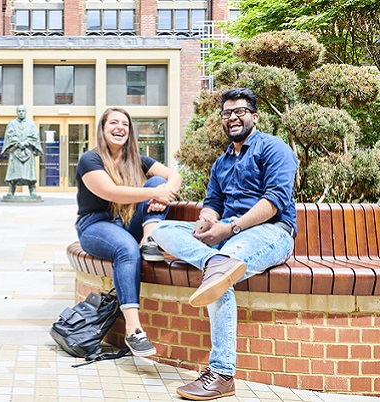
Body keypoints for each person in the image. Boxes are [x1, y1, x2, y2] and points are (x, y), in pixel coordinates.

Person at [151, 88, 298, 400]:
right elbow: (213, 202)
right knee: (163, 229)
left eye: (240, 111)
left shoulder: (273, 149)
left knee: (221, 274)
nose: (232, 117)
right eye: (227, 113)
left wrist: (229, 228)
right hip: (226, 236)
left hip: (270, 233)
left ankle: (222, 373)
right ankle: (211, 262)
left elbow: (274, 202)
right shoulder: (221, 163)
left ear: (255, 117)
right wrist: (206, 220)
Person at [75, 107, 182, 357]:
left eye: (125, 124)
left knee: (157, 180)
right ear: (102, 128)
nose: (120, 127)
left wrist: (165, 191)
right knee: (126, 249)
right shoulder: (90, 160)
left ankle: (149, 238)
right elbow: (111, 192)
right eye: (113, 122)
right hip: (95, 225)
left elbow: (172, 175)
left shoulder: (136, 159)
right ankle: (133, 329)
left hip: (127, 222)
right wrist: (155, 194)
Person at [1, 105, 43, 197]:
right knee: (14, 172)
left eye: (23, 111)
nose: (21, 113)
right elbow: (10, 135)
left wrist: (26, 143)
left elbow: (34, 136)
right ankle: (11, 190)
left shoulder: (31, 123)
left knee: (30, 172)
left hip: (28, 150)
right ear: (17, 112)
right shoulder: (11, 123)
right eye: (19, 111)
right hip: (15, 151)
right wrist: (17, 143)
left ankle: (32, 190)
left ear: (25, 112)